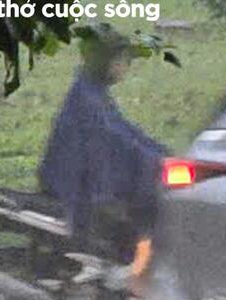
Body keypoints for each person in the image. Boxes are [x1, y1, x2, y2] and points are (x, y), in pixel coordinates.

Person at [37, 26, 166, 280]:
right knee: (140, 217)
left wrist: (161, 153)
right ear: (105, 61)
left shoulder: (93, 93)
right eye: (121, 61)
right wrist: (152, 161)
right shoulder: (88, 100)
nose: (124, 68)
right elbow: (116, 141)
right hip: (75, 189)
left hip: (83, 184)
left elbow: (129, 133)